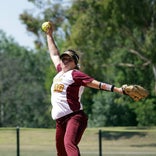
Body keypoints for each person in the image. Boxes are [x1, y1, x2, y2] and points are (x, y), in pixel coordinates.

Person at [45, 22, 123, 156]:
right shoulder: (60, 72)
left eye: (68, 60)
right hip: (60, 120)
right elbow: (54, 53)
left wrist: (118, 90)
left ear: (75, 63)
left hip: (74, 117)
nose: (64, 61)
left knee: (69, 144)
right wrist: (49, 35)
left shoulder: (75, 74)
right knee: (61, 152)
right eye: (63, 59)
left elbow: (97, 84)